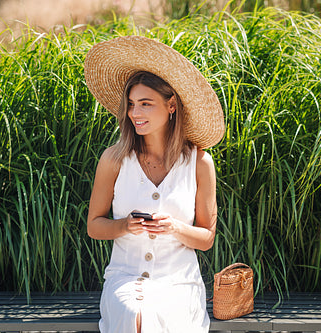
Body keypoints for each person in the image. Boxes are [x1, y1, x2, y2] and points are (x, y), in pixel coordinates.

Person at [84, 36, 225, 333]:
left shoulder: (199, 163)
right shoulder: (114, 159)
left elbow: (206, 238)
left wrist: (174, 227)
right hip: (126, 277)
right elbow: (94, 226)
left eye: (146, 104)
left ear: (171, 105)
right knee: (134, 312)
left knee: (154, 316)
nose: (135, 113)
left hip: (178, 281)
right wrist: (124, 226)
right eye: (132, 104)